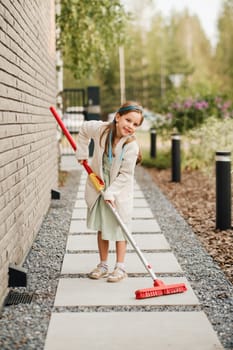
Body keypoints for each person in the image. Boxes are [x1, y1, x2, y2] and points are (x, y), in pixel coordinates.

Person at [76, 101, 144, 282]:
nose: (130, 126)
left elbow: (125, 174)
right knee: (103, 226)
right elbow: (83, 129)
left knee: (120, 228)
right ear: (118, 117)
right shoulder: (102, 130)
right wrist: (82, 153)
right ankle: (103, 264)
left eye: (135, 124)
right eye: (128, 120)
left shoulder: (131, 146)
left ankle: (120, 267)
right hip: (99, 185)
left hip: (118, 190)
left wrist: (111, 192)